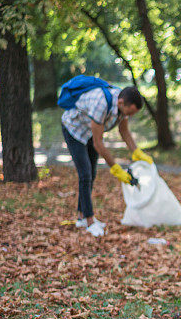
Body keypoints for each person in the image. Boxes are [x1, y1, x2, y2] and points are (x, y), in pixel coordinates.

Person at [61, 81, 153, 237]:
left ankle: (81, 216)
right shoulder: (101, 103)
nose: (128, 116)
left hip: (89, 132)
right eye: (129, 112)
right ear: (121, 102)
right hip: (74, 130)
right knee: (85, 174)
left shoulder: (122, 103)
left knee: (92, 174)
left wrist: (137, 152)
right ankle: (90, 222)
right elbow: (98, 144)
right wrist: (116, 168)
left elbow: (124, 131)